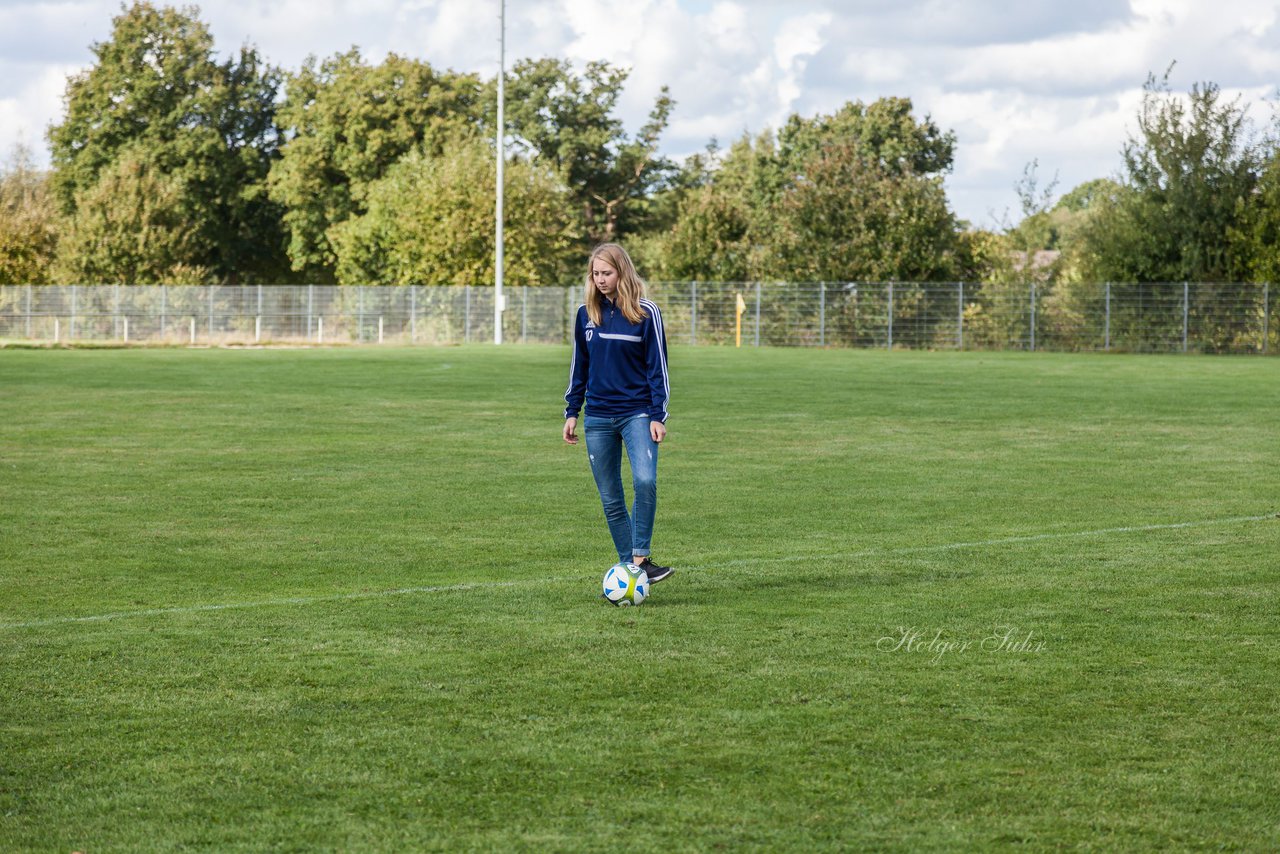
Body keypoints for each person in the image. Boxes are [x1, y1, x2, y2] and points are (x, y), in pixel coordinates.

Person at [563, 243, 674, 584]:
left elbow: (658, 367)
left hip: (637, 414)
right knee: (611, 496)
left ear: (622, 272)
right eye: (595, 274)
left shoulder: (646, 313)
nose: (600, 280)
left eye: (606, 273)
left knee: (645, 480)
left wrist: (659, 415)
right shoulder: (586, 315)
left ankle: (640, 555)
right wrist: (572, 411)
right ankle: (634, 567)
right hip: (597, 417)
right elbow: (579, 366)